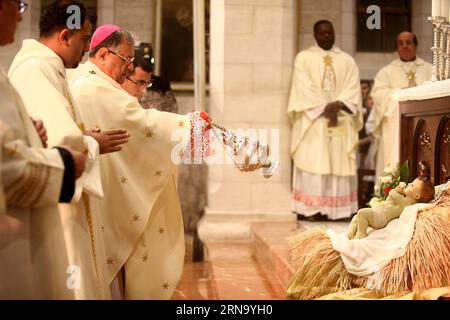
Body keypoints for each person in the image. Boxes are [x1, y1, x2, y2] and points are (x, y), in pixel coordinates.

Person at [67, 24, 212, 299]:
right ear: (102, 55)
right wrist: (188, 125)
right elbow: (140, 123)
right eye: (125, 60)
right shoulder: (93, 87)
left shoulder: (93, 81)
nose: (128, 68)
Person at [8, 0, 130, 299]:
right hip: (53, 206)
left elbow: (50, 131)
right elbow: (61, 141)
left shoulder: (48, 67)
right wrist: (92, 142)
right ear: (65, 36)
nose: (87, 47)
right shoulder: (36, 69)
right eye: (84, 38)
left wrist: (84, 136)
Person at [0, 0, 89, 299]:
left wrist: (28, 136)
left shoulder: (45, 66)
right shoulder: (37, 68)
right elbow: (5, 162)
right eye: (18, 5)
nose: (20, 14)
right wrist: (63, 164)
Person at [288, 20, 363, 221]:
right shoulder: (303, 59)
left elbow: (352, 88)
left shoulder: (347, 61)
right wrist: (325, 107)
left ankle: (338, 210)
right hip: (314, 122)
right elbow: (303, 87)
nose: (327, 36)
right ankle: (312, 210)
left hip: (341, 119)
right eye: (322, 33)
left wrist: (338, 105)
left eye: (330, 32)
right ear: (315, 35)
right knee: (315, 163)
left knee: (338, 163)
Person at [371, 31, 432, 180]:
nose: (405, 46)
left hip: (425, 128)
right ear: (397, 48)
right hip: (395, 129)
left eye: (408, 42)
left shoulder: (430, 70)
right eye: (401, 43)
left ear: (416, 45)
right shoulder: (385, 72)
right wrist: (400, 93)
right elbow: (378, 95)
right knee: (393, 167)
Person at [347, 177, 434, 239]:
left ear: (416, 196)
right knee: (356, 217)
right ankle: (350, 236)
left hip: (381, 218)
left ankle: (361, 235)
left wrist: (395, 190)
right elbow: (392, 198)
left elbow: (392, 194)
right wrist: (399, 189)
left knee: (361, 213)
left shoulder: (407, 204)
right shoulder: (404, 198)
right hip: (378, 212)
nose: (409, 183)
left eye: (412, 185)